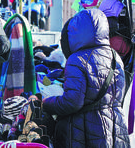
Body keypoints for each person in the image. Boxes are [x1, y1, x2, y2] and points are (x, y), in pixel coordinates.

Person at [42, 8, 130, 147]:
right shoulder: (115, 57)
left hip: (86, 133)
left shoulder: (77, 60)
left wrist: (46, 103)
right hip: (116, 129)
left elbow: (72, 102)